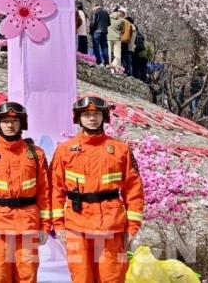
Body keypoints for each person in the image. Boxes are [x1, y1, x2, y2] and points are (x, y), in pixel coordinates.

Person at [50, 96, 145, 283]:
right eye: (86, 114)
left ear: (104, 117)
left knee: (112, 277)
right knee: (81, 277)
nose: (92, 118)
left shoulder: (120, 150)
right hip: (76, 226)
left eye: (96, 114)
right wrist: (59, 226)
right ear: (78, 118)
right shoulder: (64, 151)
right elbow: (56, 189)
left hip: (111, 226)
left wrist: (132, 226)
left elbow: (134, 190)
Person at [0, 102, 51, 283]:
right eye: (5, 121)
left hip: (28, 224)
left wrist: (45, 226)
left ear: (22, 123)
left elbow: (44, 191)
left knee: (27, 275)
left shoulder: (36, 154)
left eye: (14, 121)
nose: (10, 125)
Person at [107, 7, 125, 71]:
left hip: (108, 36)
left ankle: (109, 65)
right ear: (122, 13)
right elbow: (122, 30)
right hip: (117, 38)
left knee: (109, 53)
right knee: (117, 55)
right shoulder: (122, 20)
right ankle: (114, 66)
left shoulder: (109, 17)